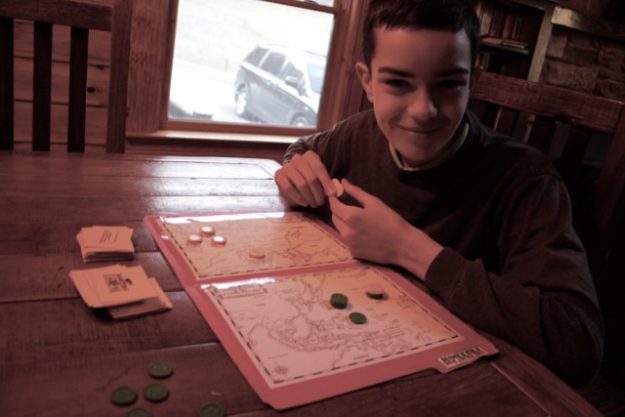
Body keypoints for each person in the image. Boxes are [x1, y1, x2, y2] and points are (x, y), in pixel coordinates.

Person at [274, 0, 604, 386]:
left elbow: (577, 342)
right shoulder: (358, 132)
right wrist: (295, 167)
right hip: (342, 344)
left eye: (448, 84)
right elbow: (304, 147)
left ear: (472, 82)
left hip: (459, 384)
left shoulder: (527, 181)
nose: (423, 110)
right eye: (398, 83)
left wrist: (408, 248)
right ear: (367, 82)